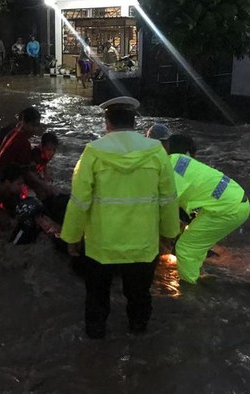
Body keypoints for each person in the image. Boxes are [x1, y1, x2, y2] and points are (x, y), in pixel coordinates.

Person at [61, 96, 179, 339]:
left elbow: (79, 201)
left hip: (101, 246)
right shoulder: (156, 151)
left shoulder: (92, 152)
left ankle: (95, 343)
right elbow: (168, 198)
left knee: (96, 296)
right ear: (134, 122)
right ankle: (138, 337)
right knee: (139, 297)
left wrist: (72, 237)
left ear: (107, 122)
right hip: (142, 245)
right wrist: (168, 235)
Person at [165, 133, 250, 285]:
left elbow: (163, 208)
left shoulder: (170, 168)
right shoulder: (184, 162)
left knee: (185, 248)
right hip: (235, 200)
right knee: (193, 240)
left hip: (225, 209)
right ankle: (198, 266)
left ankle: (189, 288)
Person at [0, 107, 53, 200]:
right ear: (24, 122)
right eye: (33, 125)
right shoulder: (23, 142)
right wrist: (45, 186)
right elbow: (27, 173)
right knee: (41, 190)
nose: (35, 129)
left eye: (37, 126)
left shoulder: (12, 132)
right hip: (3, 183)